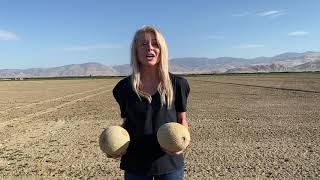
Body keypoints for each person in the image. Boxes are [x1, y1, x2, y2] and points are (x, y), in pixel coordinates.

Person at [111, 25, 190, 180]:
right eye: (144, 44)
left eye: (155, 43)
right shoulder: (124, 88)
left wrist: (182, 143)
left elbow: (182, 119)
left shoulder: (178, 84)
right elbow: (127, 122)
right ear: (135, 50)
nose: (150, 48)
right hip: (136, 164)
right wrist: (116, 145)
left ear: (162, 49)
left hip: (169, 163)